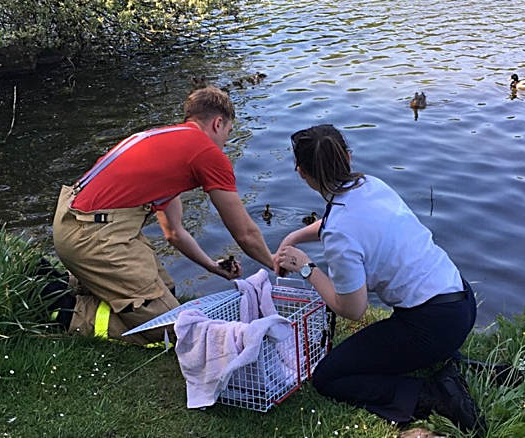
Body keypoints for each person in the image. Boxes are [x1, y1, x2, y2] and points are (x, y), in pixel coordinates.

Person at [274, 125, 480, 431]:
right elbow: (338, 222)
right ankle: (451, 360)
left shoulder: (340, 233)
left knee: (329, 377)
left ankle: (432, 393)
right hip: (461, 303)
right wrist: (294, 237)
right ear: (347, 156)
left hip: (432, 325)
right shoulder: (370, 185)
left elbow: (352, 309)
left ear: (301, 172)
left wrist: (307, 268)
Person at [52, 86, 274, 346]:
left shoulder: (163, 141)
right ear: (218, 123)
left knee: (168, 291)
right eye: (228, 133)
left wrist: (212, 267)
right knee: (171, 330)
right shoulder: (207, 154)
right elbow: (245, 233)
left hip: (72, 225)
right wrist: (274, 263)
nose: (226, 143)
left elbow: (174, 232)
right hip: (95, 238)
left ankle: (75, 284)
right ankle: (63, 309)